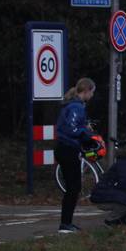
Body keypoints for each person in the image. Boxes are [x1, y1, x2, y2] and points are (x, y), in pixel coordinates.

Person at [54, 77, 96, 233]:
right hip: (68, 148)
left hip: (64, 148)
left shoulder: (70, 105)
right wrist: (86, 133)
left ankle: (66, 223)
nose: (92, 95)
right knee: (74, 187)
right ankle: (65, 224)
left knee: (72, 187)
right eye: (92, 92)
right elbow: (72, 129)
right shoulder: (76, 107)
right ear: (86, 91)